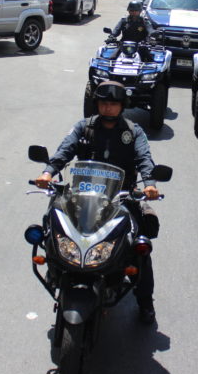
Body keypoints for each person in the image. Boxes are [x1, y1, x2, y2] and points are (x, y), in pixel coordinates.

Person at [34, 81, 162, 324]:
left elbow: (145, 158)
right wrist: (48, 172)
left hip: (121, 197)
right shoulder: (84, 127)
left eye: (113, 103)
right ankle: (55, 268)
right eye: (104, 103)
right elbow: (65, 150)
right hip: (83, 196)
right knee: (52, 222)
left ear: (122, 106)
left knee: (140, 247)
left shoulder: (134, 132)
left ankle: (145, 301)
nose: (108, 108)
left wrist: (150, 184)